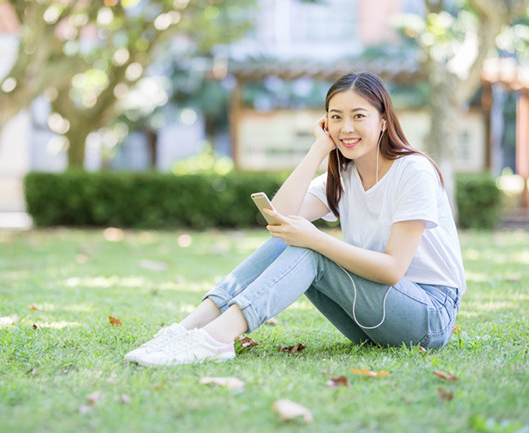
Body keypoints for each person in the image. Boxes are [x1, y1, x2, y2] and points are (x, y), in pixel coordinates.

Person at [124, 71, 466, 367]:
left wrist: (316, 239)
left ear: (383, 121)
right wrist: (318, 149)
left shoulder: (413, 171)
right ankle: (190, 328)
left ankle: (217, 338)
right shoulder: (344, 175)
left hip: (428, 317)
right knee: (292, 238)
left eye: (358, 116)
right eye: (335, 117)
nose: (346, 127)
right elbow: (280, 219)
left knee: (310, 247)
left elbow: (393, 269)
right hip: (374, 319)